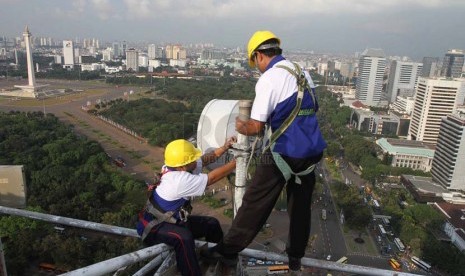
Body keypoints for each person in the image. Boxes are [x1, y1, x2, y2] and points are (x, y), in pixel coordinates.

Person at [201, 30, 327, 272]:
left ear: (259, 55)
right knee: (300, 207)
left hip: (284, 153)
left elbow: (256, 127)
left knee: (254, 203)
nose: (257, 67)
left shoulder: (269, 79)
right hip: (311, 153)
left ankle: (227, 250)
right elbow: (310, 109)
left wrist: (240, 124)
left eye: (255, 62)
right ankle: (295, 258)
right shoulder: (303, 73)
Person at [137, 137, 236, 276]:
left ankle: (214, 255)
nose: (196, 161)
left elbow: (206, 159)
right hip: (153, 226)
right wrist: (236, 163)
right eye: (192, 160)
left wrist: (224, 147)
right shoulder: (179, 181)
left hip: (171, 220)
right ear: (182, 166)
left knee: (211, 224)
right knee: (184, 238)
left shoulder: (174, 167)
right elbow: (211, 178)